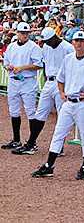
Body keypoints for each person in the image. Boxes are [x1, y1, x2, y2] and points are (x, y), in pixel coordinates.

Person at [31, 31, 84, 180]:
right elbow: (60, 78)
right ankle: (49, 165)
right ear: (73, 42)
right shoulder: (68, 59)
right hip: (69, 102)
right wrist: (61, 92)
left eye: (82, 41)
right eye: (76, 41)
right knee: (58, 132)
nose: (79, 43)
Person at [12, 27, 74, 155]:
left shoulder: (67, 47)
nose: (46, 43)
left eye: (48, 40)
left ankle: (59, 147)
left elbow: (74, 66)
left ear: (54, 37)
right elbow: (45, 64)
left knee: (61, 116)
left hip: (62, 83)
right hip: (49, 82)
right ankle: (31, 143)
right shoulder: (46, 47)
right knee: (40, 114)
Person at [1, 22, 43, 150]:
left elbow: (39, 64)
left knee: (30, 111)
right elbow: (6, 62)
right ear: (17, 33)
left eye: (27, 33)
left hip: (28, 81)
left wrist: (22, 68)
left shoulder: (34, 47)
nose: (25, 35)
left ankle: (32, 142)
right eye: (22, 33)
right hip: (13, 81)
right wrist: (8, 66)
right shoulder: (11, 46)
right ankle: (16, 140)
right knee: (13, 111)